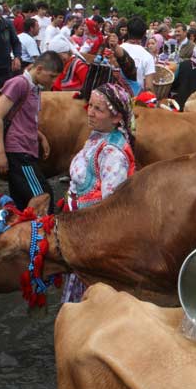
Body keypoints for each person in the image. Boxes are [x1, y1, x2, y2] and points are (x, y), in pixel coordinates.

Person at [61, 83, 136, 303]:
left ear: (116, 118)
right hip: (79, 230)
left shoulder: (113, 154)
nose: (90, 113)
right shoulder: (99, 137)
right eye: (90, 106)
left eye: (98, 109)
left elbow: (109, 209)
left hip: (91, 239)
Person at [0, 51, 63, 211]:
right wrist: (0, 153)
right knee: (42, 197)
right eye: (52, 76)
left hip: (26, 149)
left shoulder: (34, 87)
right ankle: (41, 234)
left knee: (22, 201)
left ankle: (24, 233)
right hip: (18, 151)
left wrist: (41, 137)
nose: (54, 81)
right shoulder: (19, 84)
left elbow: (24, 119)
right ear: (39, 69)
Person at [120, 16, 155, 93]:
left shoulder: (118, 50)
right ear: (143, 34)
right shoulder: (147, 56)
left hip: (115, 97)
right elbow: (149, 87)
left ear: (127, 31)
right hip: (135, 99)